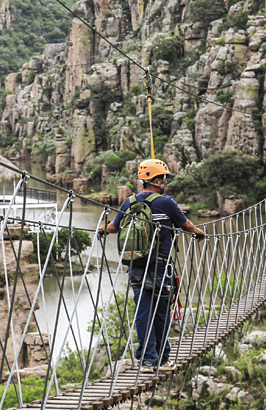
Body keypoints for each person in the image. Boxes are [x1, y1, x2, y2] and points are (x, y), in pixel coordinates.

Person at [98, 159, 205, 373]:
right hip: (160, 268)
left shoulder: (129, 202)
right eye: (164, 179)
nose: (166, 183)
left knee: (143, 312)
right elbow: (186, 225)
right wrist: (198, 233)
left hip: (136, 267)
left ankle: (147, 360)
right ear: (157, 180)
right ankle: (162, 360)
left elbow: (113, 227)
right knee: (161, 314)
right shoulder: (167, 203)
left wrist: (102, 228)